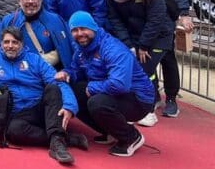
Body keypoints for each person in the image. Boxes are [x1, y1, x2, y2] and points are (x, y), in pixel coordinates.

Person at [0, 27, 84, 165]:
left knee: (53, 88)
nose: (10, 46)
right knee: (13, 132)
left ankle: (57, 145)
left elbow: (58, 81)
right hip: (15, 115)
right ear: (1, 44)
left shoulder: (36, 60)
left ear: (21, 44)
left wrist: (69, 106)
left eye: (15, 42)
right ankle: (66, 139)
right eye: (6, 42)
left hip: (39, 109)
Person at [57, 11, 156, 158]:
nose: (80, 34)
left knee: (97, 103)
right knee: (73, 92)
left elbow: (120, 84)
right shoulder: (81, 49)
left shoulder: (113, 48)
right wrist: (66, 73)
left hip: (139, 98)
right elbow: (75, 69)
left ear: (93, 28)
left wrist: (92, 88)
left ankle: (131, 137)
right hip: (111, 91)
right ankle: (110, 131)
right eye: (75, 30)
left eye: (83, 28)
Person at [115, 0, 189, 118]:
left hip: (162, 19)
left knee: (167, 59)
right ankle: (154, 94)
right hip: (140, 23)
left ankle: (171, 99)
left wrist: (183, 12)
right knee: (146, 62)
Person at [106, 0, 176, 128]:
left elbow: (156, 18)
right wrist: (128, 44)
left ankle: (148, 111)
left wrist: (144, 45)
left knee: (145, 70)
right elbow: (115, 19)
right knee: (136, 70)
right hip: (135, 36)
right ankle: (144, 104)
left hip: (159, 36)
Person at [1, 0, 73, 70]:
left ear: (41, 0)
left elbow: (66, 47)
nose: (30, 1)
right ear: (19, 1)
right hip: (18, 72)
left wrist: (52, 58)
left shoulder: (55, 20)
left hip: (49, 71)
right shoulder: (9, 21)